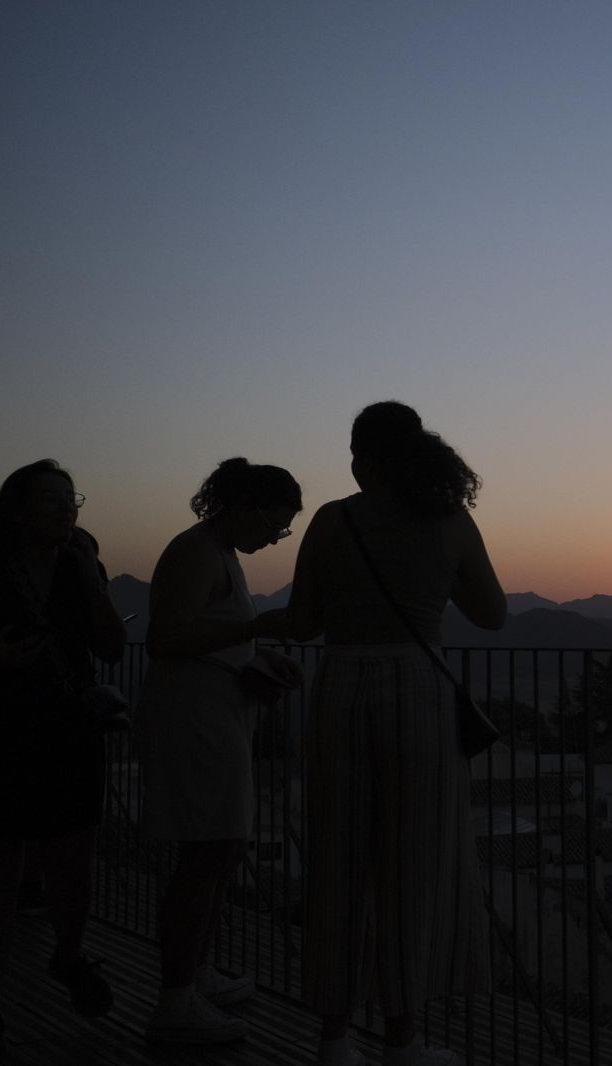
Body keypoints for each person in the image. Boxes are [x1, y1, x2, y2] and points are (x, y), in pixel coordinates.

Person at [276, 401, 505, 1066]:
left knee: (337, 862)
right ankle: (403, 1041)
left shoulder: (332, 520)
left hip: (342, 687)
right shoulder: (448, 519)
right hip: (418, 693)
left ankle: (334, 1038)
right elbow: (492, 615)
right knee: (414, 866)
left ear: (359, 459)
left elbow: (302, 622)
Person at [133, 458, 305, 1044]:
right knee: (206, 856)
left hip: (217, 719)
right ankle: (175, 999)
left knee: (219, 852)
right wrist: (255, 633)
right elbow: (165, 640)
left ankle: (196, 976)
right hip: (195, 724)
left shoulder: (218, 551)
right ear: (245, 505)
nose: (275, 538)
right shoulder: (196, 552)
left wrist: (256, 661)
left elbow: (203, 639)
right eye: (276, 525)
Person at [0, 461, 127, 1062]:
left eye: (72, 499)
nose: (68, 509)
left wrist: (93, 582)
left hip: (67, 736)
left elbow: (113, 649)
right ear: (17, 509)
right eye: (52, 499)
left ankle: (68, 953)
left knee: (72, 868)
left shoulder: (78, 567)